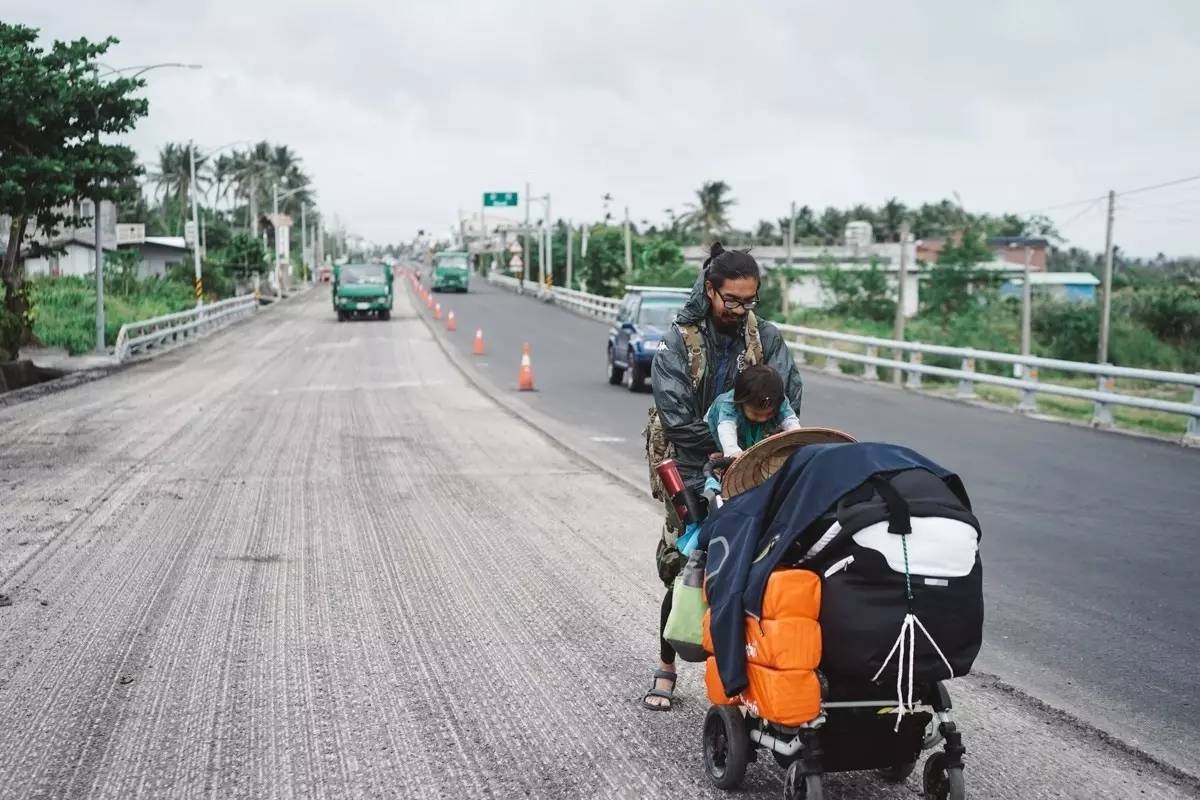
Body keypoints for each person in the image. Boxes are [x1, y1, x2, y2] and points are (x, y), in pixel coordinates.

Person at [641, 242, 804, 711]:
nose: (741, 309)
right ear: (710, 290)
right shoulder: (679, 342)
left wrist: (758, 460)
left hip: (756, 465)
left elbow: (790, 397)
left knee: (762, 565)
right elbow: (676, 419)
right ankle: (667, 668)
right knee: (684, 565)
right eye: (732, 300)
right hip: (694, 464)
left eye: (749, 301)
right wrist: (720, 460)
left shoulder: (766, 338)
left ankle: (745, 673)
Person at [706, 364, 801, 458]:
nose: (762, 418)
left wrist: (798, 438)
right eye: (756, 414)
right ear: (742, 402)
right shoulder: (729, 404)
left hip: (749, 431)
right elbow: (726, 429)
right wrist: (733, 452)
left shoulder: (777, 400)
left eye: (769, 414)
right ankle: (722, 452)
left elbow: (790, 421)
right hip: (713, 430)